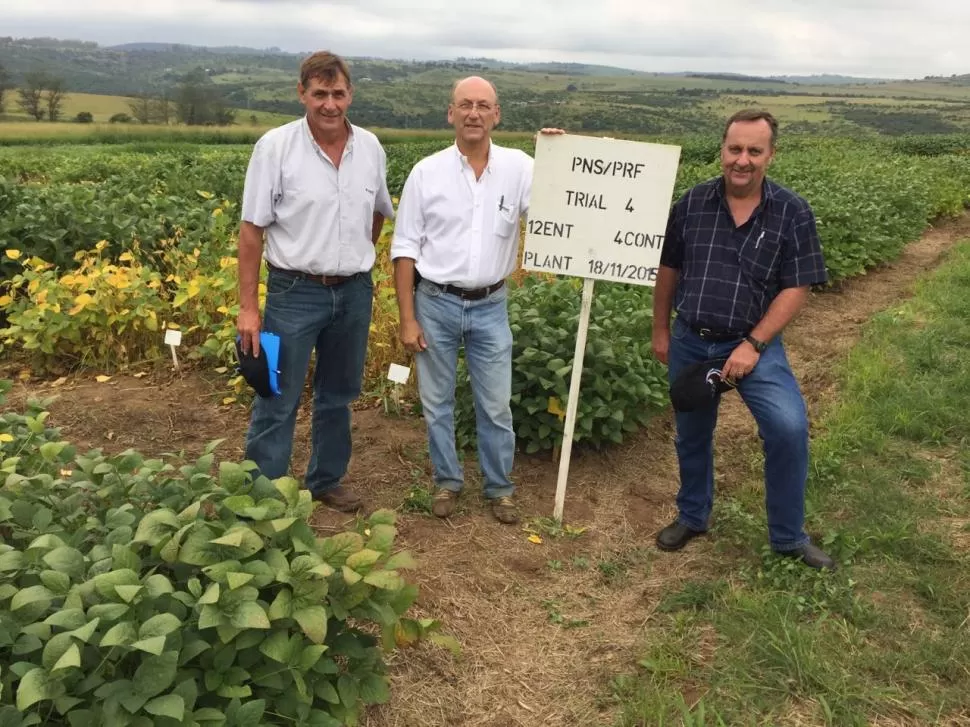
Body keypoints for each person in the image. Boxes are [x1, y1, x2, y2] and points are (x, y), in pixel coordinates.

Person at [651, 109, 835, 570]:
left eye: (755, 150)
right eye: (735, 149)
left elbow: (797, 287)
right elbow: (668, 270)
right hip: (693, 340)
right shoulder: (691, 205)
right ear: (722, 150)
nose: (743, 160)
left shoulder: (792, 212)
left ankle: (789, 537)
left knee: (788, 429)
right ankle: (693, 515)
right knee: (691, 434)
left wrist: (753, 344)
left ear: (770, 155)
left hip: (756, 345)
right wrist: (660, 330)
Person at [390, 76, 561, 524]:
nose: (473, 113)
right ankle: (447, 482)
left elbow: (558, 207)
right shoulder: (427, 172)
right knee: (437, 402)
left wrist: (557, 158)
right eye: (465, 104)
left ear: (496, 115)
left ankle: (499, 488)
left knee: (495, 403)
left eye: (483, 106)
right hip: (435, 303)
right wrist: (408, 319)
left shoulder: (520, 168)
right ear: (451, 113)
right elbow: (404, 249)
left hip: (491, 304)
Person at [237, 51, 393, 512]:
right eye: (320, 93)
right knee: (276, 395)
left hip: (353, 291)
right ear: (302, 93)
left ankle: (325, 480)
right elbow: (251, 232)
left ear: (351, 94)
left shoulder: (371, 148)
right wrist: (249, 308)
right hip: (293, 291)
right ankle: (263, 496)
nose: (330, 104)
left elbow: (378, 215)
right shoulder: (275, 148)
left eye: (338, 93)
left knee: (339, 395)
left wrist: (355, 262)